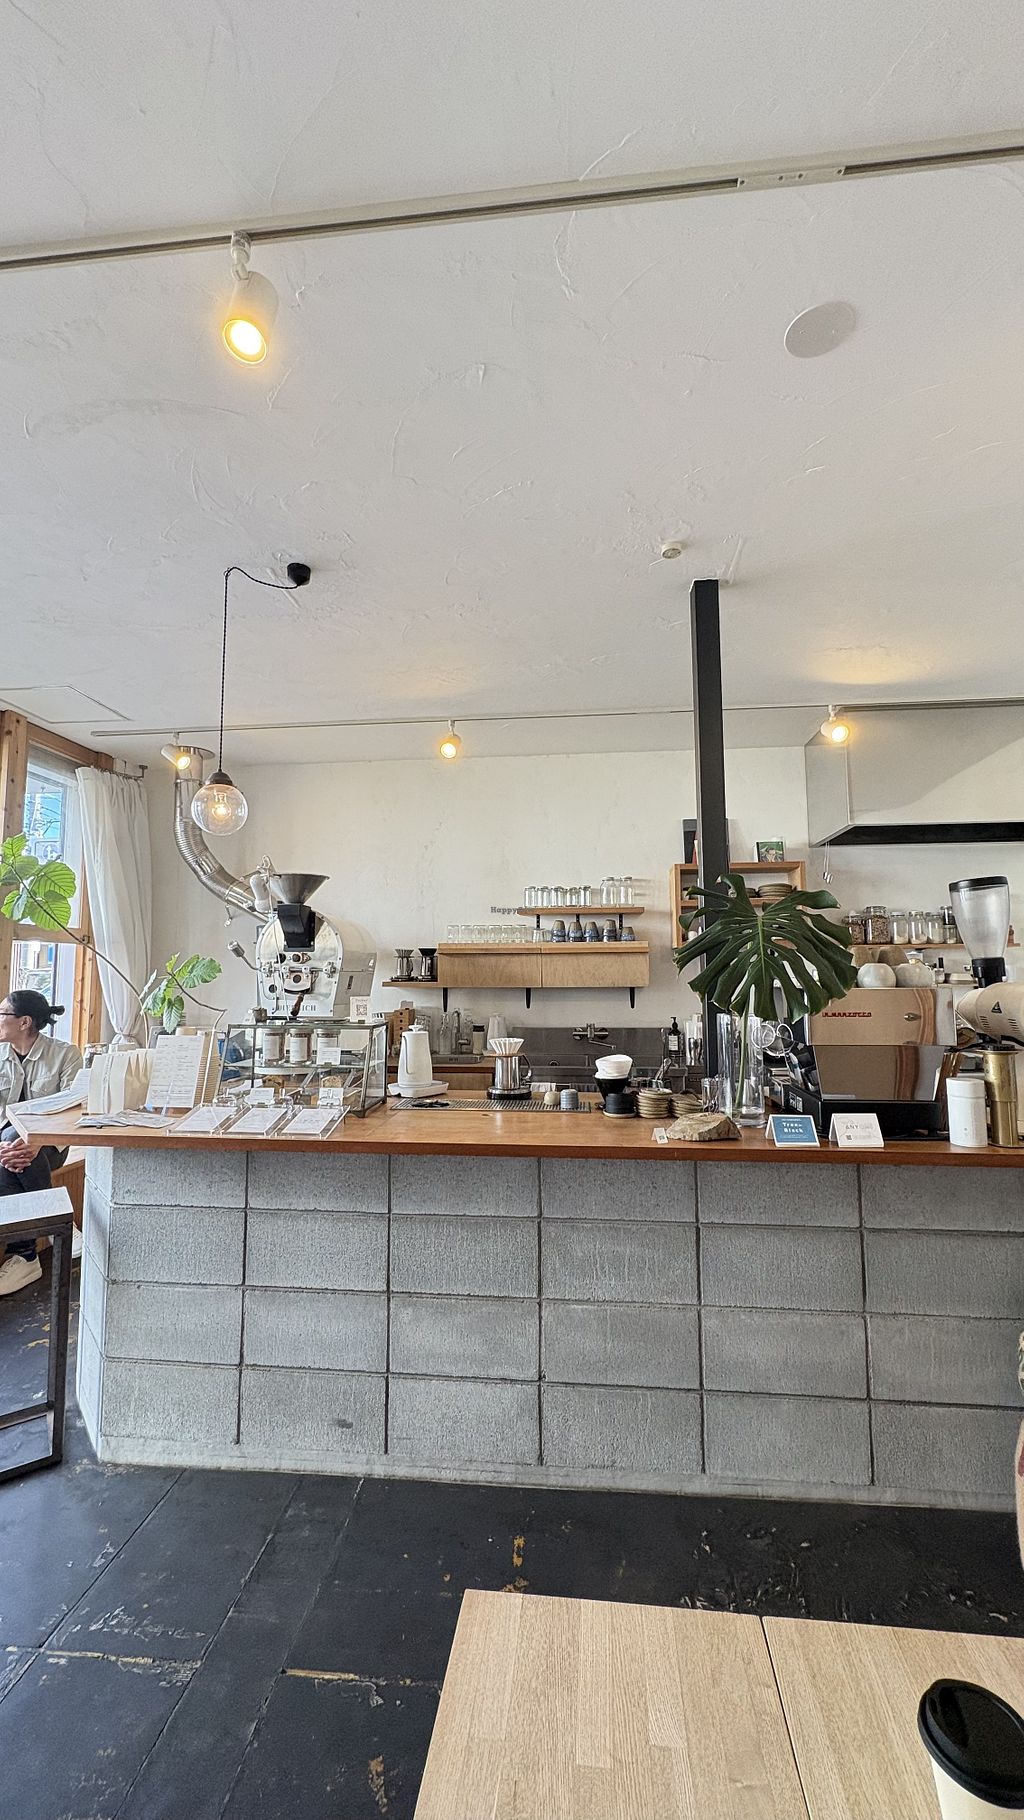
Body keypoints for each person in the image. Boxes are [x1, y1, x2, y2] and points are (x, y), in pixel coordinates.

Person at [0, 992, 83, 1296]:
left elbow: (75, 1109)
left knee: (16, 1142)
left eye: (2, 1014)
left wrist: (37, 1139)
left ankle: (25, 1256)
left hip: (50, 1147)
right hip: (9, 1150)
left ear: (24, 1022)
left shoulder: (66, 1054)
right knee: (8, 1152)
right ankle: (54, 1220)